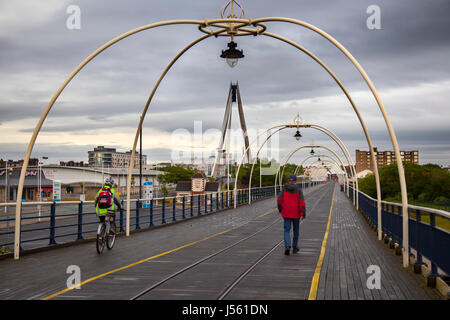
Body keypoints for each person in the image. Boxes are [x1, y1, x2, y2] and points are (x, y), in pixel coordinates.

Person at [277, 174, 306, 255]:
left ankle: (287, 246)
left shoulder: (284, 189)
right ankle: (295, 247)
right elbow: (302, 202)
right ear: (295, 181)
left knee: (286, 230)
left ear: (289, 180)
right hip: (296, 213)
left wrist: (280, 209)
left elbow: (279, 200)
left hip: (286, 213)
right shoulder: (298, 190)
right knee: (296, 230)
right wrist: (303, 213)